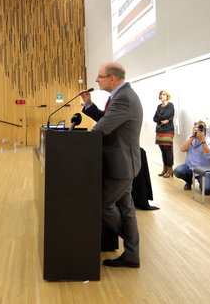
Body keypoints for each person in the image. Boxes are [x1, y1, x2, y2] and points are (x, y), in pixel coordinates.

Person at [81, 62, 142, 268]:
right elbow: (109, 121)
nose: (97, 80)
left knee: (103, 204)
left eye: (100, 77)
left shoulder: (123, 98)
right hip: (123, 164)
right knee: (126, 209)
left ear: (112, 79)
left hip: (121, 165)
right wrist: (89, 106)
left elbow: (102, 128)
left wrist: (78, 143)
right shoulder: (120, 96)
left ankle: (131, 243)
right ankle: (132, 254)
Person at [173, 121, 210, 194]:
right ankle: (189, 181)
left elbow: (208, 155)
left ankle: (202, 183)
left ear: (205, 129)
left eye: (201, 127)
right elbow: (183, 149)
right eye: (196, 127)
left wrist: (202, 140)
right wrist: (192, 137)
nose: (198, 129)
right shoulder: (190, 137)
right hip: (189, 167)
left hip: (203, 170)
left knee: (207, 190)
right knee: (177, 171)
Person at [153, 90, 175, 177]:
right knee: (162, 150)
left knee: (168, 150)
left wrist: (159, 116)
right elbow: (154, 118)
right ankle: (165, 168)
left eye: (164, 94)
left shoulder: (170, 105)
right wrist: (160, 118)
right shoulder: (159, 106)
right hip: (159, 130)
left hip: (168, 130)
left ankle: (170, 169)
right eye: (161, 95)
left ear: (167, 96)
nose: (162, 96)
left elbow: (166, 115)